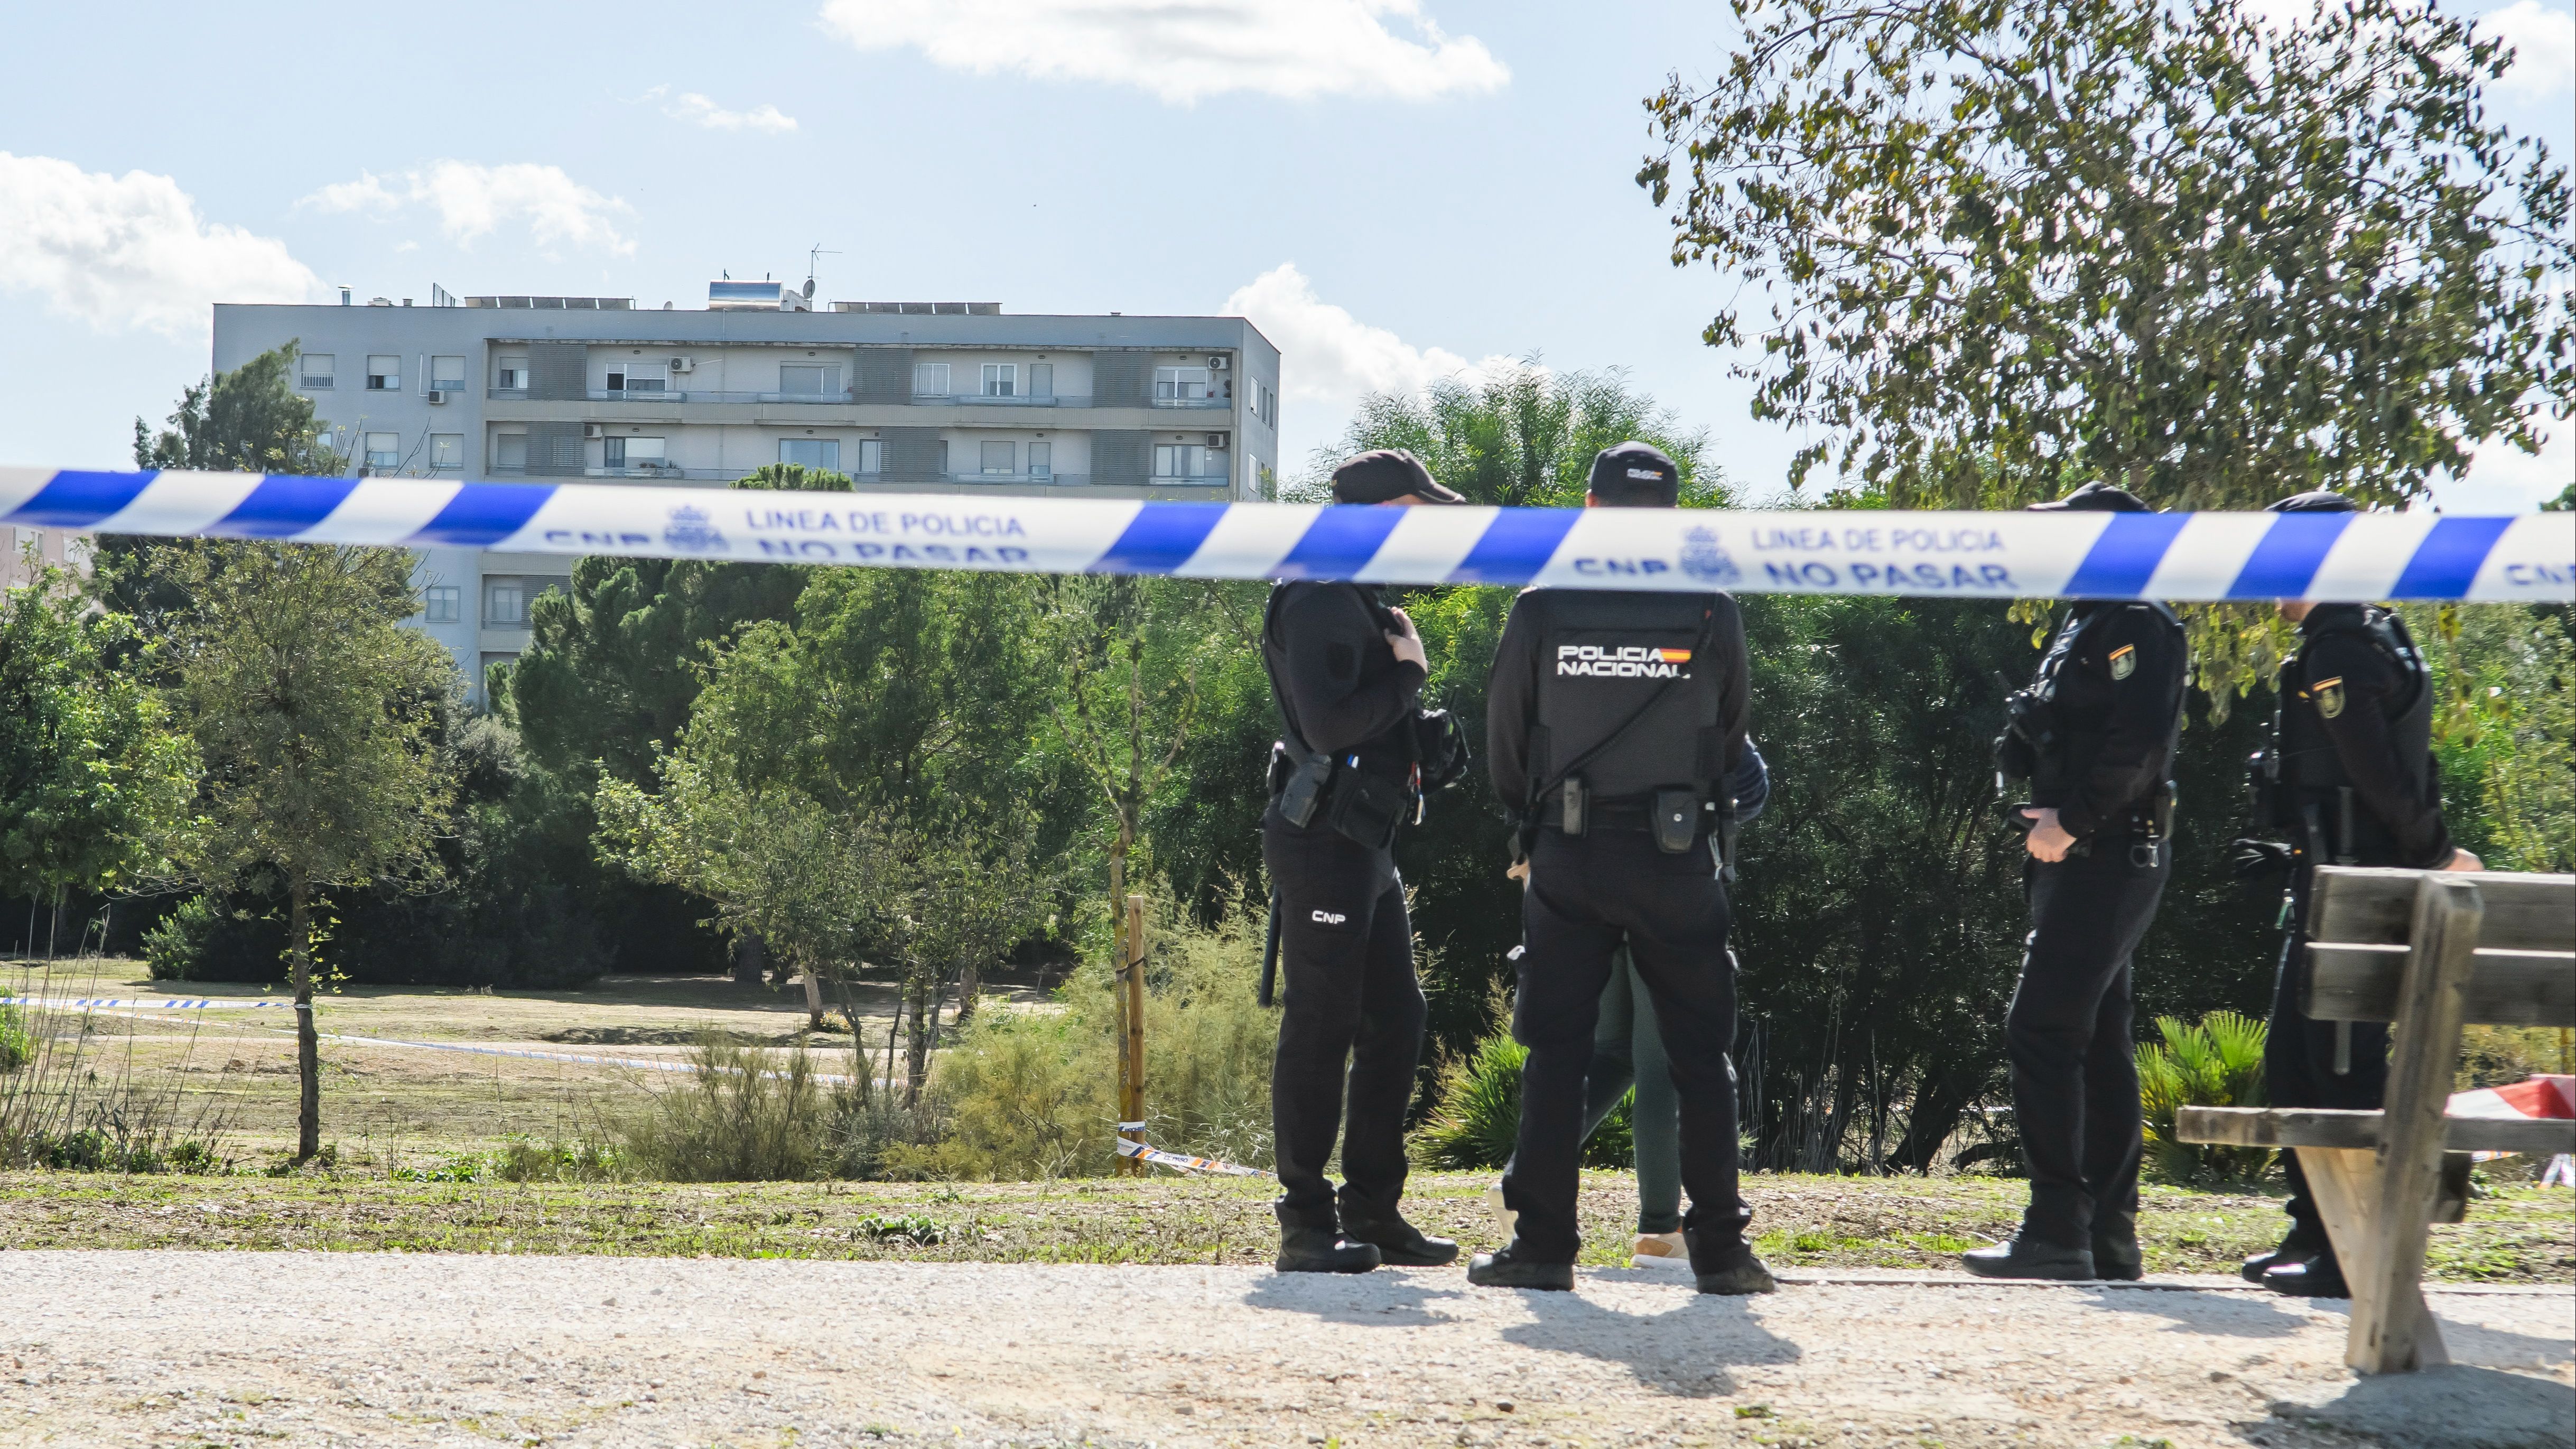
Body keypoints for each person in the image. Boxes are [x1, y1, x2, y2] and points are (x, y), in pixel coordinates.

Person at [1472, 440, 1772, 1296]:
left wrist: (1527, 829)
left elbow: (1505, 736)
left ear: (1592, 510)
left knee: (1557, 1052)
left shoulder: (1540, 607)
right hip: (1679, 856)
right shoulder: (1714, 610)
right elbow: (1732, 733)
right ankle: (1720, 1251)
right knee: (1697, 1055)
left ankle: (1542, 1248)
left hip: (1569, 853)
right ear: (1672, 516)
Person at [2234, 488, 2481, 1299]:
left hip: (2351, 889)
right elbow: (2401, 767)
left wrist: (2436, 850)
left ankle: (2346, 1247)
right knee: (2296, 1058)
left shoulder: (2338, 643)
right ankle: (2314, 1227)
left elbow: (2377, 772)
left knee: (2330, 1065)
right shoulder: (2378, 631)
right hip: (2333, 882)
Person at [1967, 480, 2187, 1282]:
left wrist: (2071, 821)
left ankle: (2056, 1226)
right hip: (2078, 856)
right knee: (2095, 1040)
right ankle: (2106, 1235)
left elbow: (2138, 746)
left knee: (2041, 1028)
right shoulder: (2087, 623)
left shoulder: (2137, 622)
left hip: (2104, 853)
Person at [1260, 448, 1471, 1274]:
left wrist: (1416, 733)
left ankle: (1373, 1212)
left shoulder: (1355, 591)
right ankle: (1305, 1227)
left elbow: (1364, 718)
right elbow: (1326, 728)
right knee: (1322, 1023)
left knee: (1397, 1017)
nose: (1427, 525)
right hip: (1321, 840)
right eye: (1419, 508)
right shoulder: (1315, 592)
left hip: (1364, 838)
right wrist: (1409, 676)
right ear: (1383, 510)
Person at [1486, 740, 1770, 1268]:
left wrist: (1529, 844)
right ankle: (1660, 1233)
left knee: (1615, 1051)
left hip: (1572, 878)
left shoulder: (1575, 679)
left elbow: (1516, 758)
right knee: (1661, 1061)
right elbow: (1750, 790)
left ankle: (1521, 1180)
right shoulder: (1686, 687)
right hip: (1665, 877)